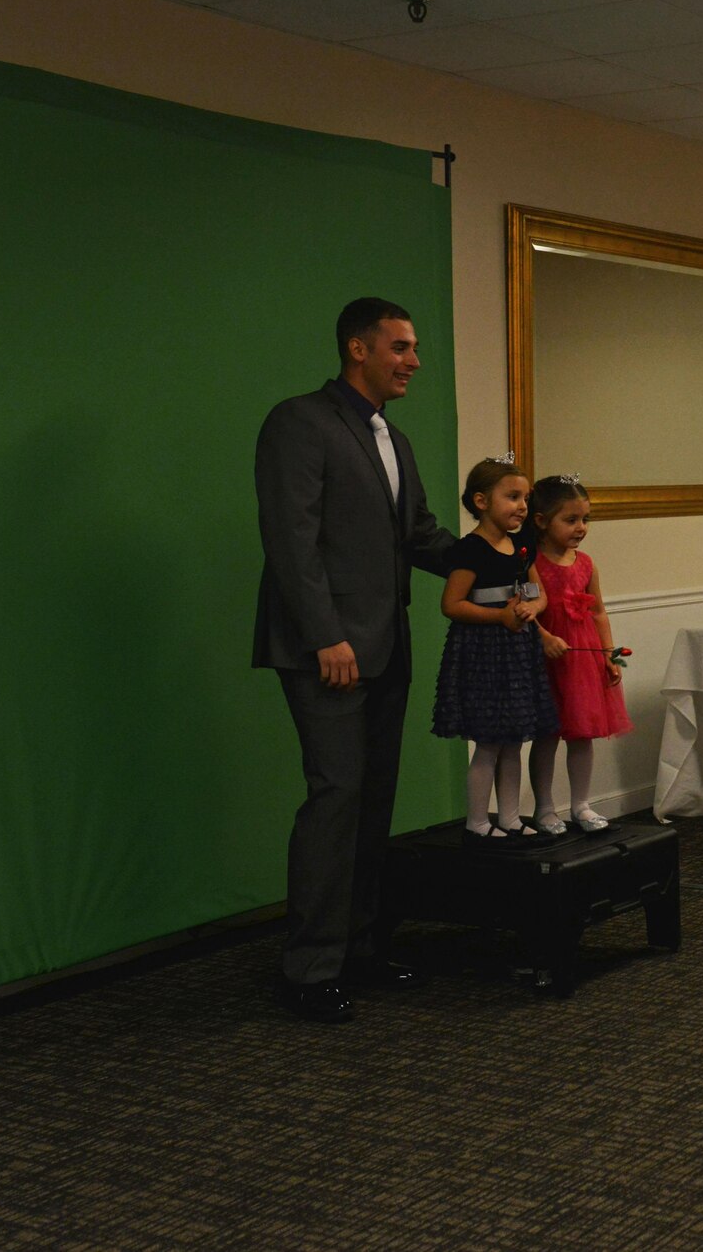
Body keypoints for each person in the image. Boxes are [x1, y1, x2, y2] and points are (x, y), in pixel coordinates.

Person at [255, 296, 457, 1024]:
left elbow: (422, 535)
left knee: (372, 801)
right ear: (357, 348)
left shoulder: (391, 440)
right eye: (401, 347)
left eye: (414, 347)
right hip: (329, 650)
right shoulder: (298, 423)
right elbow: (291, 540)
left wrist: (505, 556)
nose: (414, 360)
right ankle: (307, 969)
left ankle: (359, 949)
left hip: (385, 646)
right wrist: (325, 636)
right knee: (335, 797)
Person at [431, 457, 560, 842]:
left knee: (514, 739)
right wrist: (499, 618)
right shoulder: (471, 549)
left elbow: (538, 593)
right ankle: (476, 819)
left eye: (525, 497)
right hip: (484, 652)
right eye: (512, 496)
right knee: (489, 740)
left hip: (517, 651)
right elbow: (452, 605)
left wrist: (531, 607)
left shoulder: (521, 545)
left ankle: (509, 816)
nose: (522, 505)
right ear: (482, 501)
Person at [524, 475, 633, 834]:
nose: (581, 528)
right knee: (547, 733)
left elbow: (598, 611)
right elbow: (524, 610)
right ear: (540, 521)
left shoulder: (586, 563)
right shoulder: (531, 562)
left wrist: (607, 654)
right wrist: (543, 637)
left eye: (585, 519)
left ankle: (582, 805)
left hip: (581, 660)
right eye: (570, 520)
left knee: (582, 733)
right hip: (546, 658)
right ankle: (544, 808)